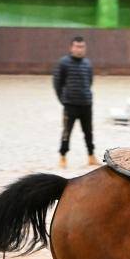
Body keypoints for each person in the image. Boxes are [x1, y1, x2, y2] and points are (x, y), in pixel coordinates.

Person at [53, 36, 98, 168]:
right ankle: (63, 156)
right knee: (67, 132)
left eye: (82, 47)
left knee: (88, 132)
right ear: (71, 47)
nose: (80, 49)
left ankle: (91, 156)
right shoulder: (63, 63)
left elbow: (89, 81)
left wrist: (86, 96)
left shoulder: (87, 63)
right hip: (70, 105)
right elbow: (57, 83)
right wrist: (63, 100)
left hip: (86, 104)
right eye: (77, 46)